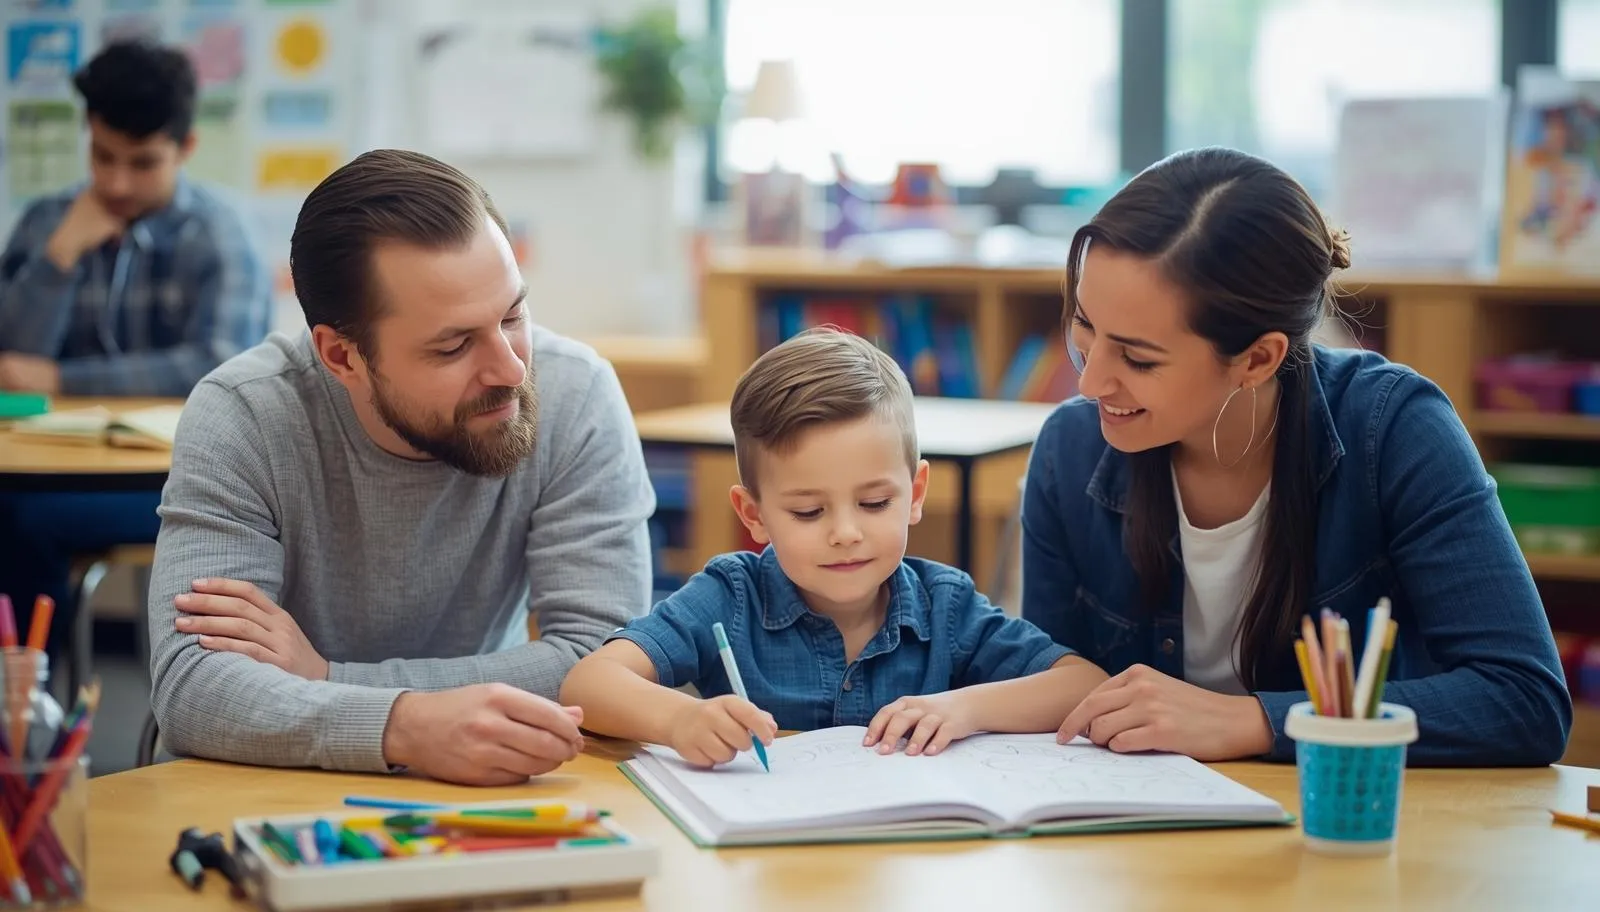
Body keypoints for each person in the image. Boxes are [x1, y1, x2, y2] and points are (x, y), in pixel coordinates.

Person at [1021, 147, 1572, 767]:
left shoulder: (1394, 432)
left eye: (1139, 359)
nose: (1089, 382)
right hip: (1139, 840)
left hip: (1348, 827)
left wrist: (1255, 721)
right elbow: (1049, 685)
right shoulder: (1068, 452)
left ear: (1258, 359)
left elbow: (1525, 700)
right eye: (1084, 325)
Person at [146, 149, 657, 786]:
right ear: (342, 356)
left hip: (475, 783)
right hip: (258, 789)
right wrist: (406, 726)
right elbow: (194, 688)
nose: (511, 370)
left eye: (513, 315)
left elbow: (606, 662)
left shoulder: (576, 394)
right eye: (453, 345)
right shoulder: (245, 415)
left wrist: (329, 680)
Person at [561, 328, 1107, 768]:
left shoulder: (945, 606)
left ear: (915, 494)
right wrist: (678, 719)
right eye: (807, 512)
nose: (846, 532)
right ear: (754, 515)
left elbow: (1083, 684)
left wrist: (965, 707)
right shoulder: (730, 596)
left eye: (874, 503)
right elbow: (589, 683)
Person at [0, 39, 270, 665]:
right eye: (103, 157)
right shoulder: (47, 222)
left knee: (21, 523)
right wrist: (59, 260)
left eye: (143, 163)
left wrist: (63, 377)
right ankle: (25, 706)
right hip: (52, 470)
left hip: (179, 481)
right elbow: (13, 365)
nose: (117, 182)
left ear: (187, 149)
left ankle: (36, 691)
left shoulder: (221, 232)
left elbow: (219, 363)